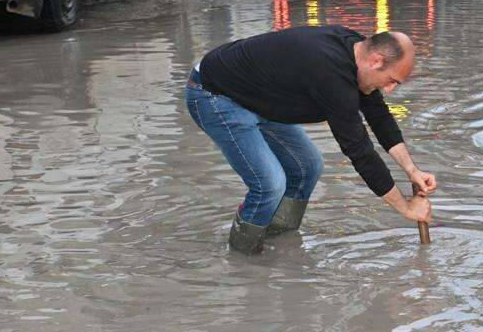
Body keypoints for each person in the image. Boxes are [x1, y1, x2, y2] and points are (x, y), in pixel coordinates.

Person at [185, 27, 436, 254]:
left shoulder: (359, 51)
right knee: (270, 184)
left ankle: (277, 240)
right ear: (376, 61)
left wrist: (411, 170)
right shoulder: (331, 74)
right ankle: (243, 258)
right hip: (214, 95)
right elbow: (359, 150)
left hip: (257, 95)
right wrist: (405, 207)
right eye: (392, 81)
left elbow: (378, 116)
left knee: (308, 166)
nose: (390, 90)